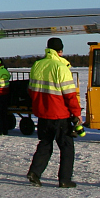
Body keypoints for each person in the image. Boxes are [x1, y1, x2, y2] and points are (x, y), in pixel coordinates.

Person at [26, 37, 81, 188]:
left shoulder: (37, 65)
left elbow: (31, 90)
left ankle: (34, 173)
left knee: (45, 144)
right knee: (67, 147)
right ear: (60, 51)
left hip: (43, 114)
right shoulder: (61, 67)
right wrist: (76, 113)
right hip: (60, 115)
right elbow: (70, 95)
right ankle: (65, 179)